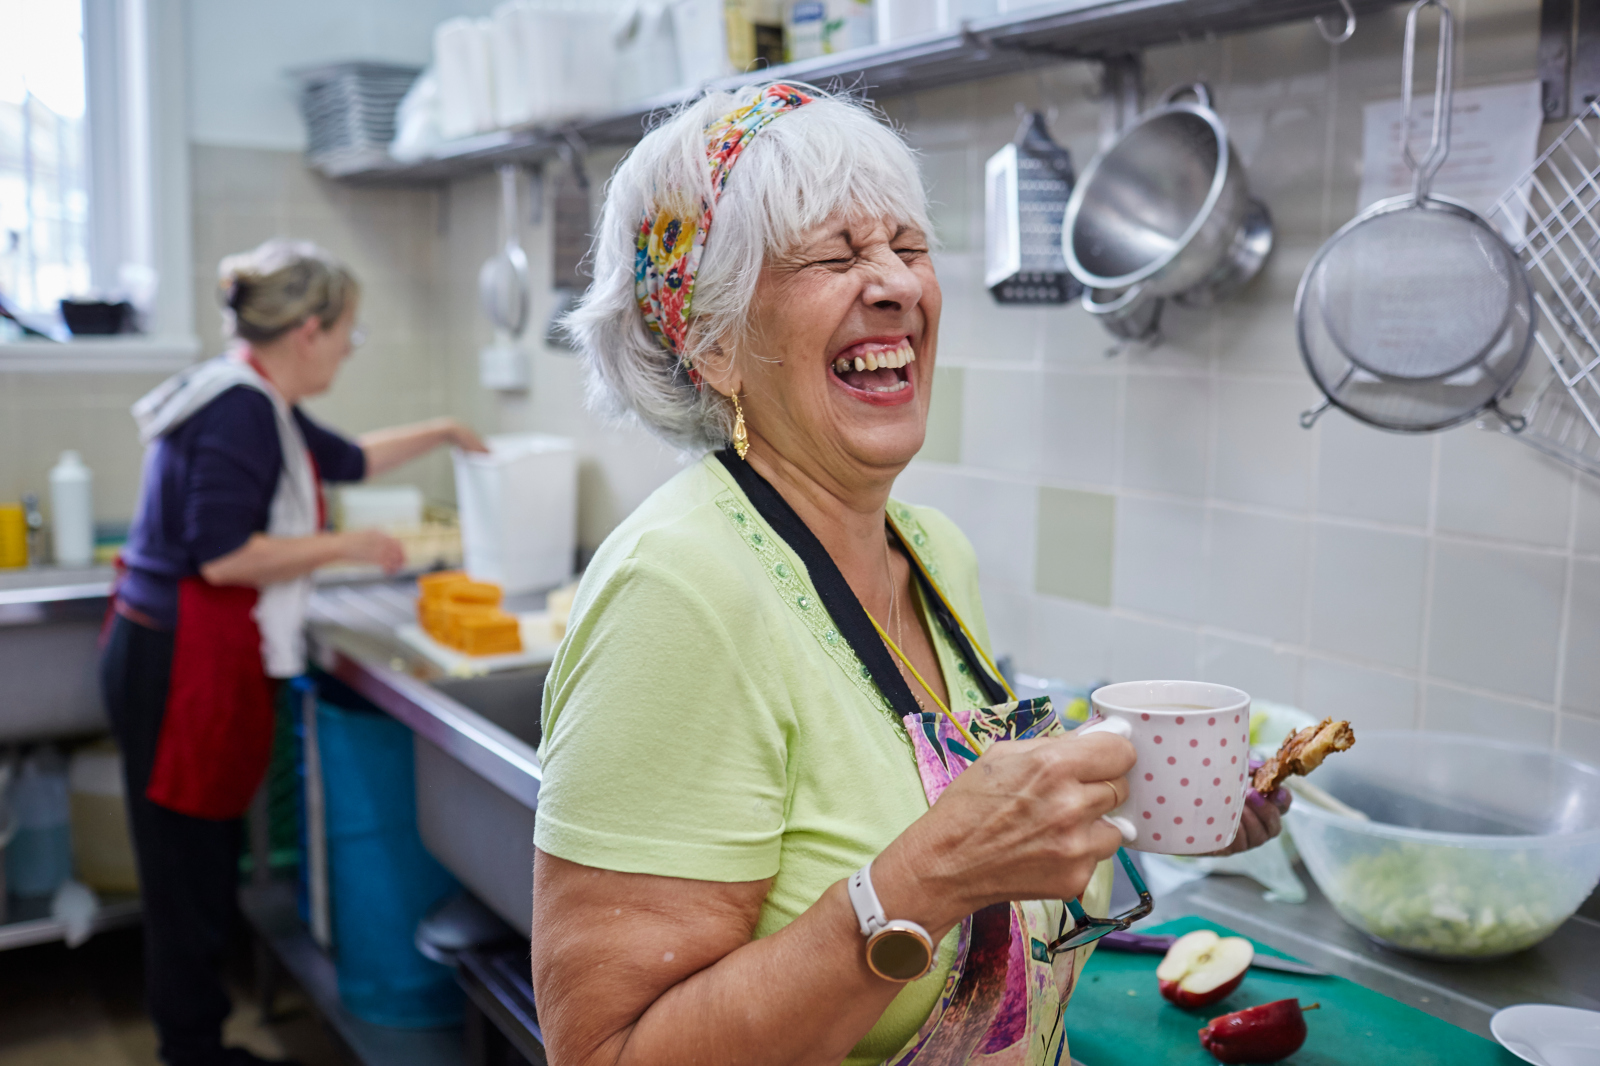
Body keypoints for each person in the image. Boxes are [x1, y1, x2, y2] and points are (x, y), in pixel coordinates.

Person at [530, 83, 1291, 1066]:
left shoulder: (931, 551)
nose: (894, 284)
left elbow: (981, 862)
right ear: (713, 343)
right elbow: (608, 1053)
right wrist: (923, 879)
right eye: (834, 256)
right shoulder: (679, 588)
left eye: (907, 246)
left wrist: (1151, 807)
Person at [100, 239, 487, 1066]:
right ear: (309, 330)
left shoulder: (255, 396)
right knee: (186, 879)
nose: (351, 347)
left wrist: (448, 430)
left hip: (180, 657)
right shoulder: (240, 406)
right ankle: (192, 1052)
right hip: (181, 670)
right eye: (349, 331)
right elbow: (221, 553)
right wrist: (345, 549)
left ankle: (194, 1044)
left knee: (198, 868)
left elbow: (344, 459)